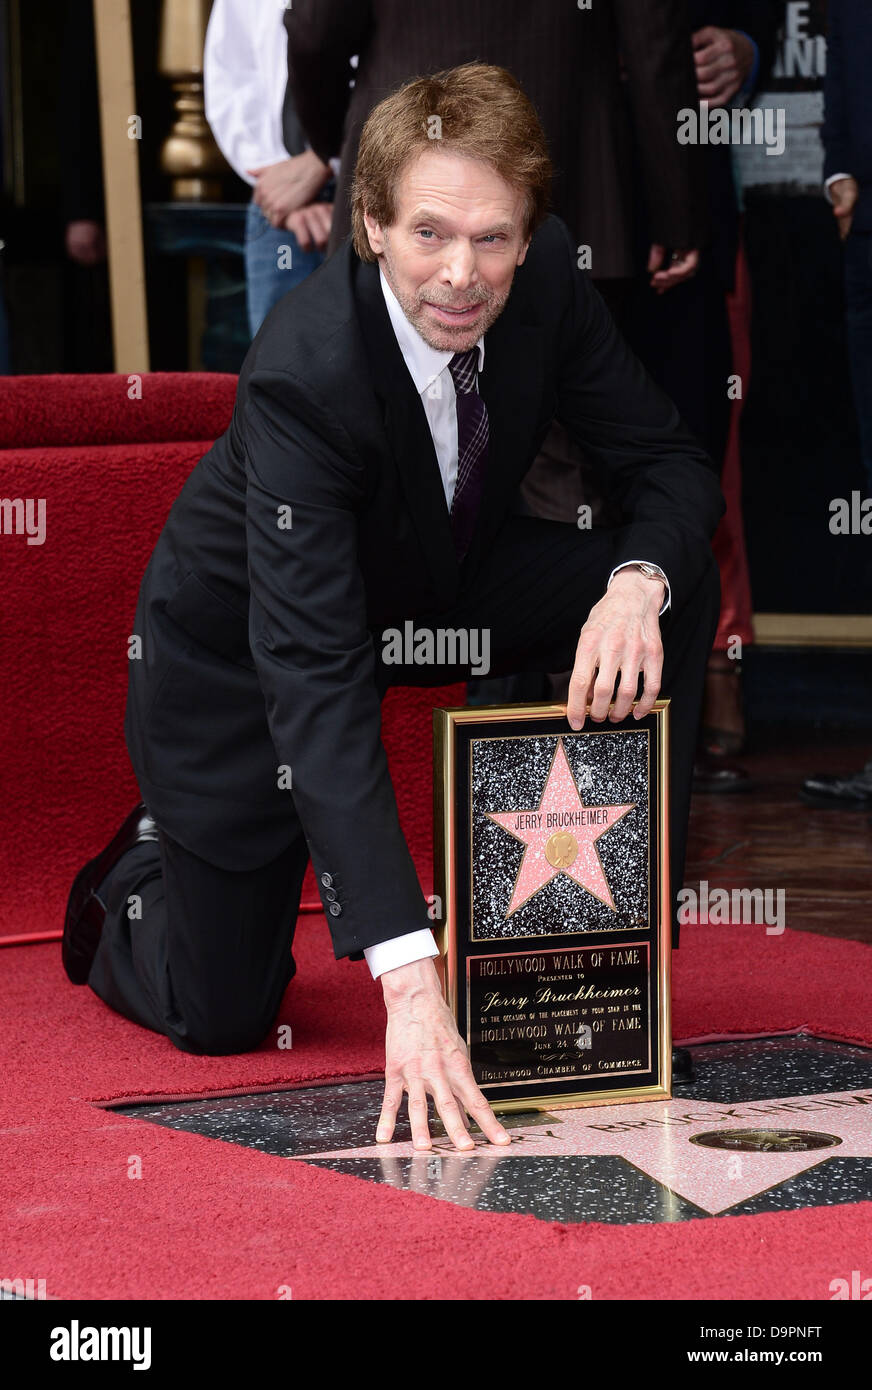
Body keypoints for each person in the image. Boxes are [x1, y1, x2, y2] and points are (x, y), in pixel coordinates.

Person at [63, 67, 723, 1150]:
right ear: (369, 224)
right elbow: (313, 682)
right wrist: (408, 985)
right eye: (427, 234)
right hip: (243, 651)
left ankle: (574, 963)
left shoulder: (547, 278)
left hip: (441, 584)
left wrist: (630, 584)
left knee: (666, 578)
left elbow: (666, 462)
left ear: (528, 232)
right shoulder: (302, 373)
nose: (461, 276)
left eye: (493, 239)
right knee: (222, 1013)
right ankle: (135, 873)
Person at [203, 0, 334, 337]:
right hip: (276, 209)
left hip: (375, 192)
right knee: (278, 372)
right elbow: (230, 73)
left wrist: (332, 161)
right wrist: (282, 188)